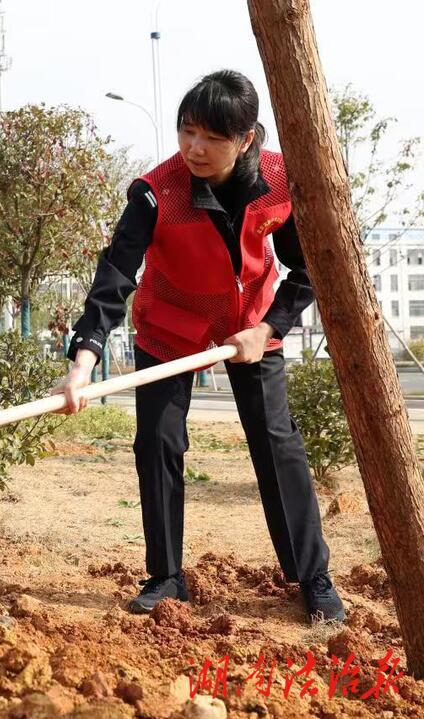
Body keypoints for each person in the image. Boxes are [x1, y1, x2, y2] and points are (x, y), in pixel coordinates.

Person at [56, 70, 345, 623]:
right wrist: (84, 362)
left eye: (212, 137)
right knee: (158, 443)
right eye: (187, 131)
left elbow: (310, 267)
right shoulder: (154, 193)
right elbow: (116, 273)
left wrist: (267, 328)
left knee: (277, 443)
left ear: (247, 138)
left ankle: (313, 576)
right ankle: (166, 577)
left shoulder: (283, 182)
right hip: (170, 329)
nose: (194, 147)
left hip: (250, 328)